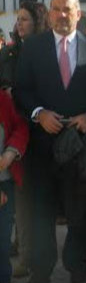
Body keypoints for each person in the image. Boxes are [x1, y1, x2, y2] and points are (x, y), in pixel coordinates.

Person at [14, 0, 86, 283]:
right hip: (42, 148)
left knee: (81, 214)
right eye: (56, 9)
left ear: (79, 14)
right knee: (41, 214)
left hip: (81, 149)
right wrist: (39, 113)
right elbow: (21, 90)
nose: (61, 15)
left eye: (68, 10)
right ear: (50, 14)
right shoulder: (32, 47)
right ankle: (41, 272)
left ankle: (77, 268)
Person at [0, 1, 47, 280]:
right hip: (12, 131)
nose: (20, 24)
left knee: (31, 205)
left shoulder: (45, 53)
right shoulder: (10, 52)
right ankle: (24, 252)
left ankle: (30, 256)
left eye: (25, 19)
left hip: (36, 133)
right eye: (17, 19)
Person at [0, 90, 28, 283]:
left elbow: (20, 127)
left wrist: (12, 151)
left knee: (2, 246)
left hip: (6, 183)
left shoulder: (3, 98)